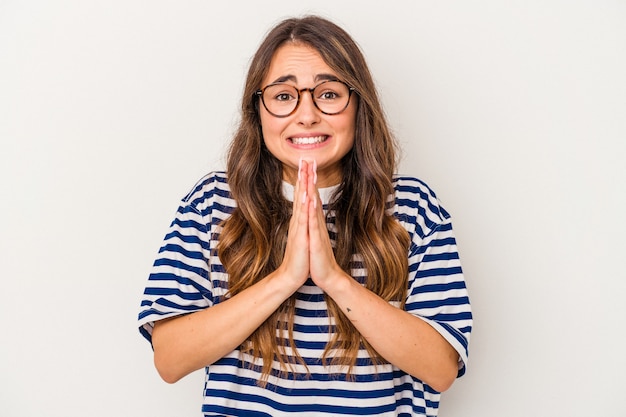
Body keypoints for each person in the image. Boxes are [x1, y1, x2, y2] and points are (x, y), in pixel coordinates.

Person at [138, 15, 472, 417]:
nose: (307, 114)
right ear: (257, 110)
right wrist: (286, 278)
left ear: (358, 105)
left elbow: (440, 368)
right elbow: (170, 359)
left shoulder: (413, 208)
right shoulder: (212, 204)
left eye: (328, 94)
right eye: (283, 96)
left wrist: (333, 278)